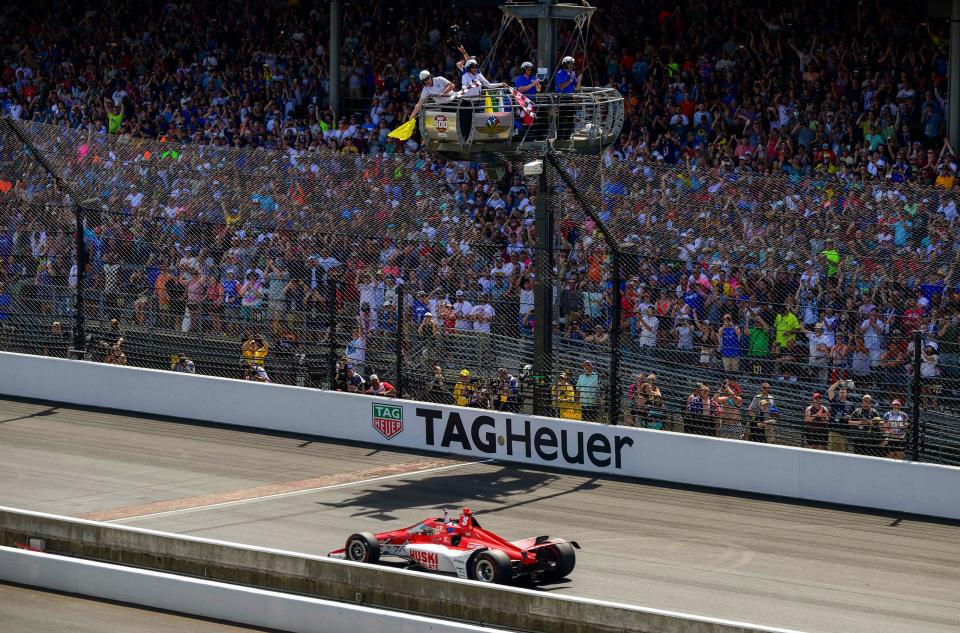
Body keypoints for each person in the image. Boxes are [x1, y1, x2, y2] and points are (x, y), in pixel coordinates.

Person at [458, 58, 505, 140]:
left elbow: (489, 85)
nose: (475, 69)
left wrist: (502, 84)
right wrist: (471, 84)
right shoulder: (465, 76)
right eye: (473, 67)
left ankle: (473, 139)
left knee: (475, 121)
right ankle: (465, 139)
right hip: (466, 102)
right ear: (469, 68)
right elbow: (464, 87)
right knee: (465, 122)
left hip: (476, 103)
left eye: (476, 67)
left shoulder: (479, 75)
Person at [555, 56, 581, 140]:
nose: (571, 65)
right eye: (570, 64)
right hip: (562, 98)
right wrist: (570, 80)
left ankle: (567, 137)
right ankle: (559, 138)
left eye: (572, 64)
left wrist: (579, 80)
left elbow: (577, 88)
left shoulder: (572, 74)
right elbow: (561, 87)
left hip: (570, 98)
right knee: (562, 119)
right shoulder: (560, 73)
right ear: (565, 64)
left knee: (570, 118)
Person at [826, 379, 856, 452]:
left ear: (846, 393)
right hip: (833, 431)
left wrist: (849, 417)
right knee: (831, 452)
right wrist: (838, 382)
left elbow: (853, 418)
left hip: (843, 432)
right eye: (840, 391)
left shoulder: (851, 405)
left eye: (844, 391)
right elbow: (830, 391)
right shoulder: (835, 402)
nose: (842, 392)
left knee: (842, 453)